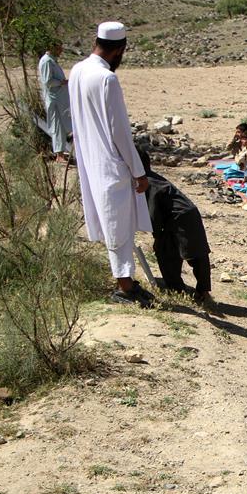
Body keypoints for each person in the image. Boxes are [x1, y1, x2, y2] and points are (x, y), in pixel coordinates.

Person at [69, 21, 154, 307]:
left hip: (90, 159)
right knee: (118, 226)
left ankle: (126, 281)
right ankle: (124, 287)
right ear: (119, 50)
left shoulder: (78, 70)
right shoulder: (107, 79)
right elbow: (120, 133)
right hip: (110, 163)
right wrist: (138, 171)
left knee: (113, 224)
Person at [139, 149, 211, 301]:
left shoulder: (147, 183)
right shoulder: (151, 178)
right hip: (185, 214)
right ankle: (198, 290)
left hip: (179, 217)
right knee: (195, 253)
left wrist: (157, 235)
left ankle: (179, 289)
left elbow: (154, 215)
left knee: (172, 252)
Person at [38, 39, 72, 161]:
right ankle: (59, 154)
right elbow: (48, 81)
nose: (61, 50)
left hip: (60, 99)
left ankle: (61, 152)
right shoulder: (47, 61)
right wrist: (62, 82)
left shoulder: (52, 61)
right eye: (58, 48)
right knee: (57, 125)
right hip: (54, 99)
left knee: (62, 125)